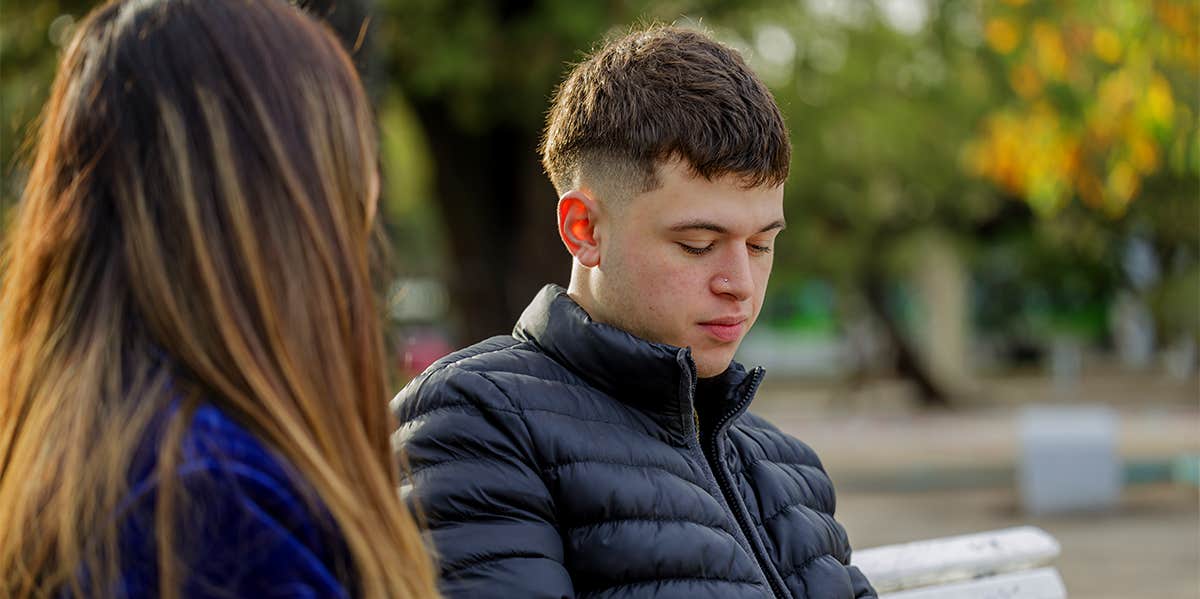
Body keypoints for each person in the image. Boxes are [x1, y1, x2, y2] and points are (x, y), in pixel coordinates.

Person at [393, 25, 878, 599]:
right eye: (698, 244)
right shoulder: (473, 420)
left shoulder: (787, 466)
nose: (740, 285)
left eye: (760, 245)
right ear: (585, 230)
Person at [0, 1, 439, 597]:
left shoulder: (95, 460)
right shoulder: (213, 501)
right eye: (347, 154)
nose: (368, 196)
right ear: (278, 200)